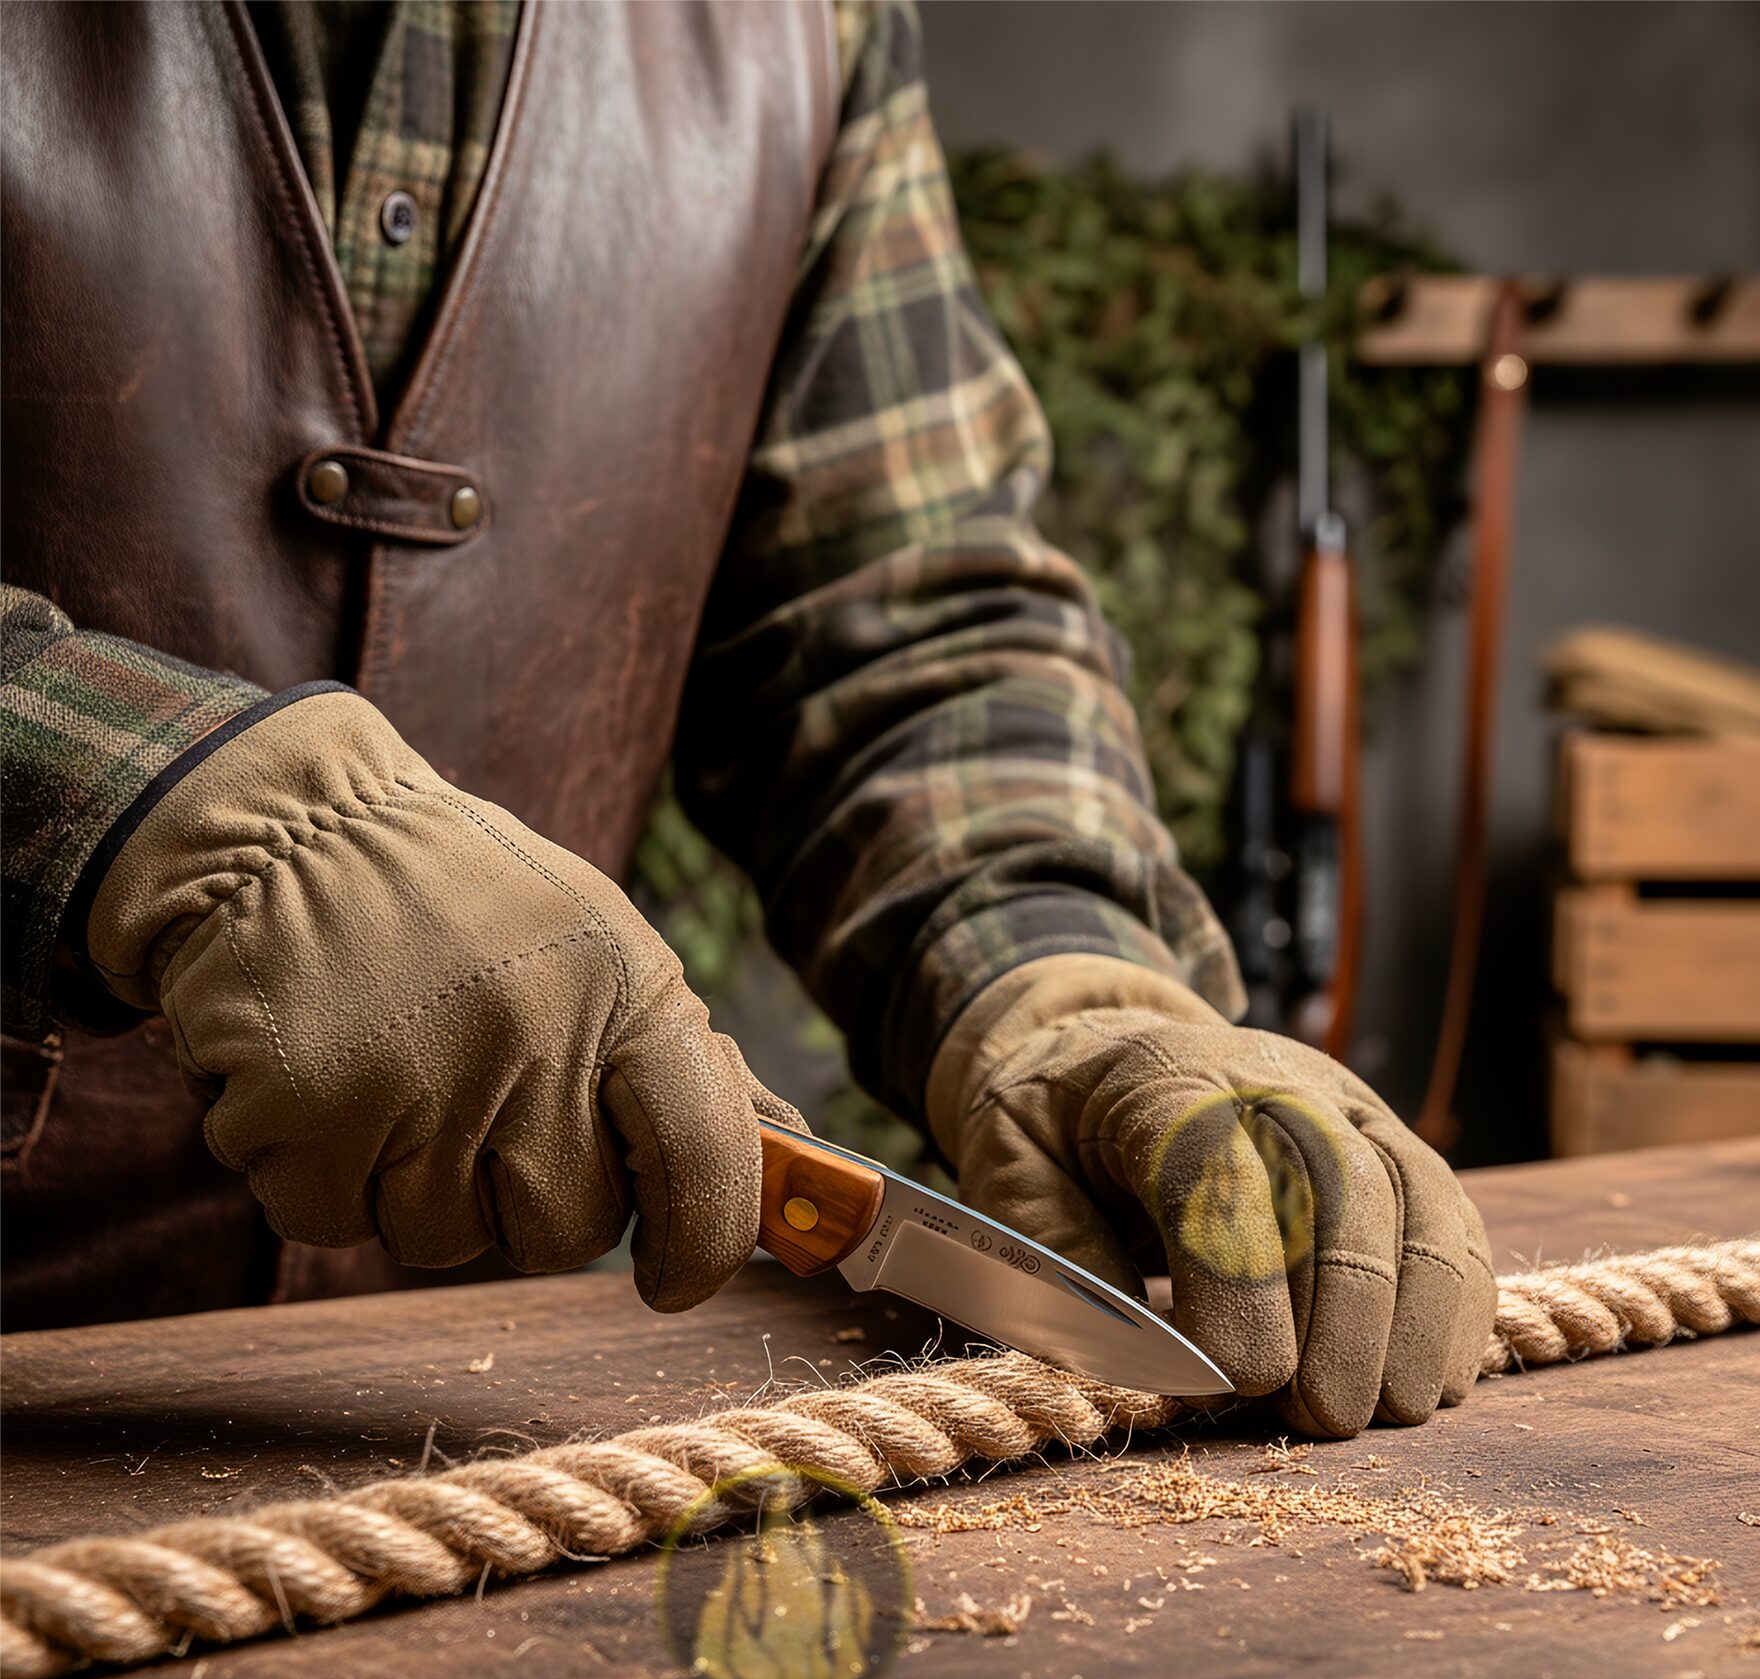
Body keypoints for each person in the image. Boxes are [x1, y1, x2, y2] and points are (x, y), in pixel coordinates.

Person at [0, 0, 1493, 1436]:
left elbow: (896, 619)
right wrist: (159, 811)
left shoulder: (802, 19)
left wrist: (1067, 989)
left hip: (430, 1396)